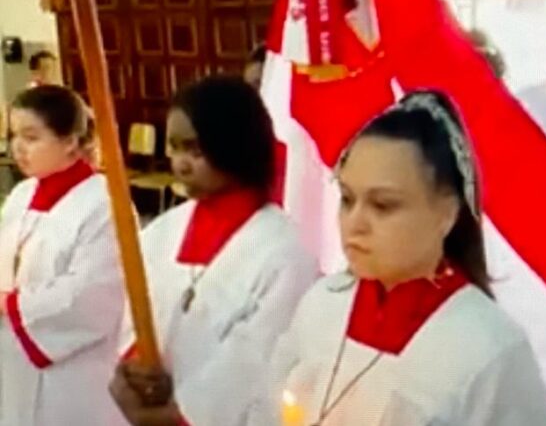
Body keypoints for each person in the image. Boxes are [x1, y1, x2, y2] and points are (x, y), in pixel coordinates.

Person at [250, 91, 546, 425]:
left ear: (446, 213)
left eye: (383, 205)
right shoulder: (322, 303)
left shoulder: (490, 347)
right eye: (348, 199)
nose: (355, 223)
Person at [109, 76, 318, 425]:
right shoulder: (163, 230)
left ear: (234, 144)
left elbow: (256, 359)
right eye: (174, 147)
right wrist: (133, 366)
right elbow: (131, 311)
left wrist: (177, 413)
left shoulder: (286, 251)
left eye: (195, 149)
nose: (180, 163)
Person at [0, 85, 125, 425]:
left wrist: (10, 305)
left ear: (70, 141)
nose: (18, 148)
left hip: (75, 369)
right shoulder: (22, 194)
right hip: (12, 357)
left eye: (31, 136)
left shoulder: (106, 203)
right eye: (13, 135)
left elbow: (93, 294)